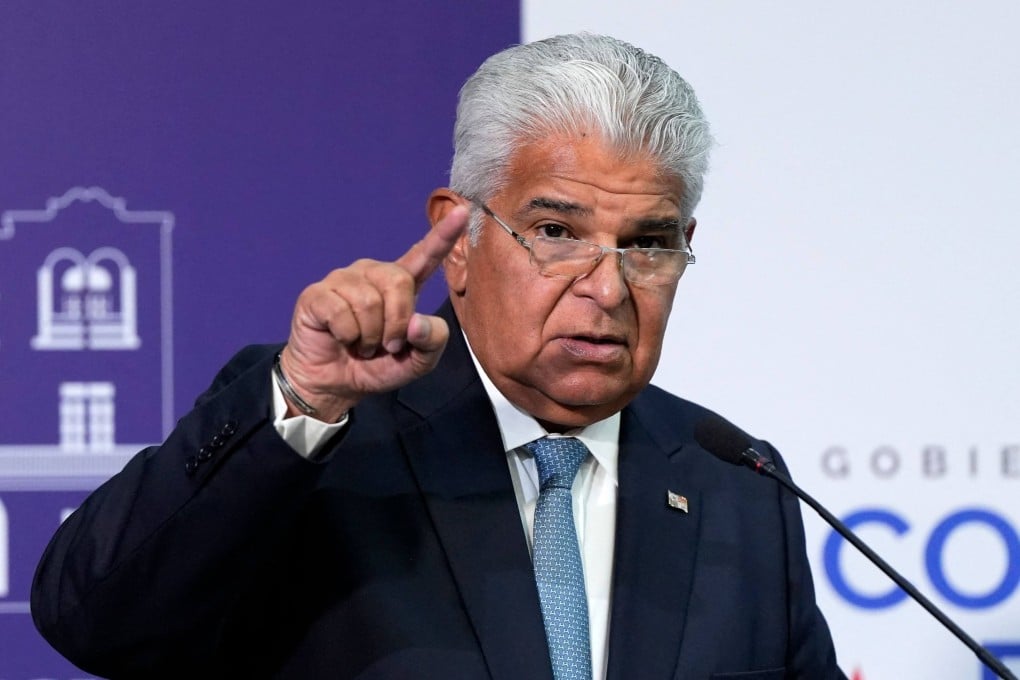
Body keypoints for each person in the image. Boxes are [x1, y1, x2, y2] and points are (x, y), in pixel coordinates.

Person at [31, 33, 846, 679]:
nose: (608, 288)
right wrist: (306, 398)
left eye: (648, 243)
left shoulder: (738, 484)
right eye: (558, 233)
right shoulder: (321, 440)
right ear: (460, 238)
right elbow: (95, 622)